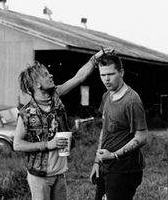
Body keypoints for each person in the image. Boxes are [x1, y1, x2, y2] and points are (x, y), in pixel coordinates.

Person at [13, 49, 107, 200]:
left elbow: (79, 77)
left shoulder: (56, 95)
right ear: (37, 84)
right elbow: (17, 145)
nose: (51, 75)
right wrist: (48, 145)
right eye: (45, 74)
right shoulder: (27, 113)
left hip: (60, 173)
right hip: (39, 177)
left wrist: (95, 59)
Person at [89, 52, 148, 200]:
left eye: (111, 74)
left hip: (124, 169)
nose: (106, 79)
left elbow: (141, 137)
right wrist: (97, 161)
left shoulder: (132, 100)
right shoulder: (106, 96)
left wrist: (114, 155)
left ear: (121, 72)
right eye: (102, 75)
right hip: (106, 165)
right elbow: (105, 129)